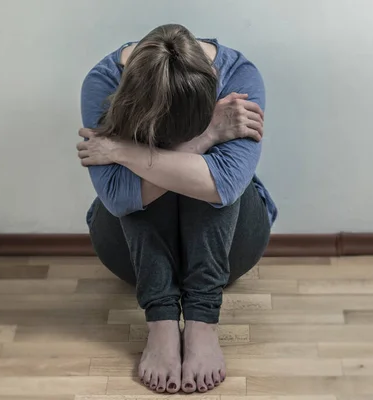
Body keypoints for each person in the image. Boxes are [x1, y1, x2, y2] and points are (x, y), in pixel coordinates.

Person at [76, 24, 277, 394]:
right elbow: (120, 197)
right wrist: (198, 144)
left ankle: (203, 322)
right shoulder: (103, 83)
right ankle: (161, 323)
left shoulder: (238, 77)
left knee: (206, 181)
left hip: (234, 248)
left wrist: (124, 151)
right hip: (127, 253)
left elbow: (225, 184)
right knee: (143, 185)